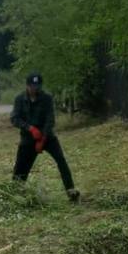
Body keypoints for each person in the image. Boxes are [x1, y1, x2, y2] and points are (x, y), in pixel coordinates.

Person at [10, 71, 80, 202]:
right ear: (27, 86)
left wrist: (42, 138)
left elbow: (50, 119)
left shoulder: (47, 98)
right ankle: (16, 192)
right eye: (32, 86)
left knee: (61, 160)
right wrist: (30, 128)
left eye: (37, 86)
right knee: (21, 167)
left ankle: (71, 190)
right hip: (28, 137)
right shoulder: (19, 99)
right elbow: (14, 119)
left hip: (47, 136)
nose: (35, 89)